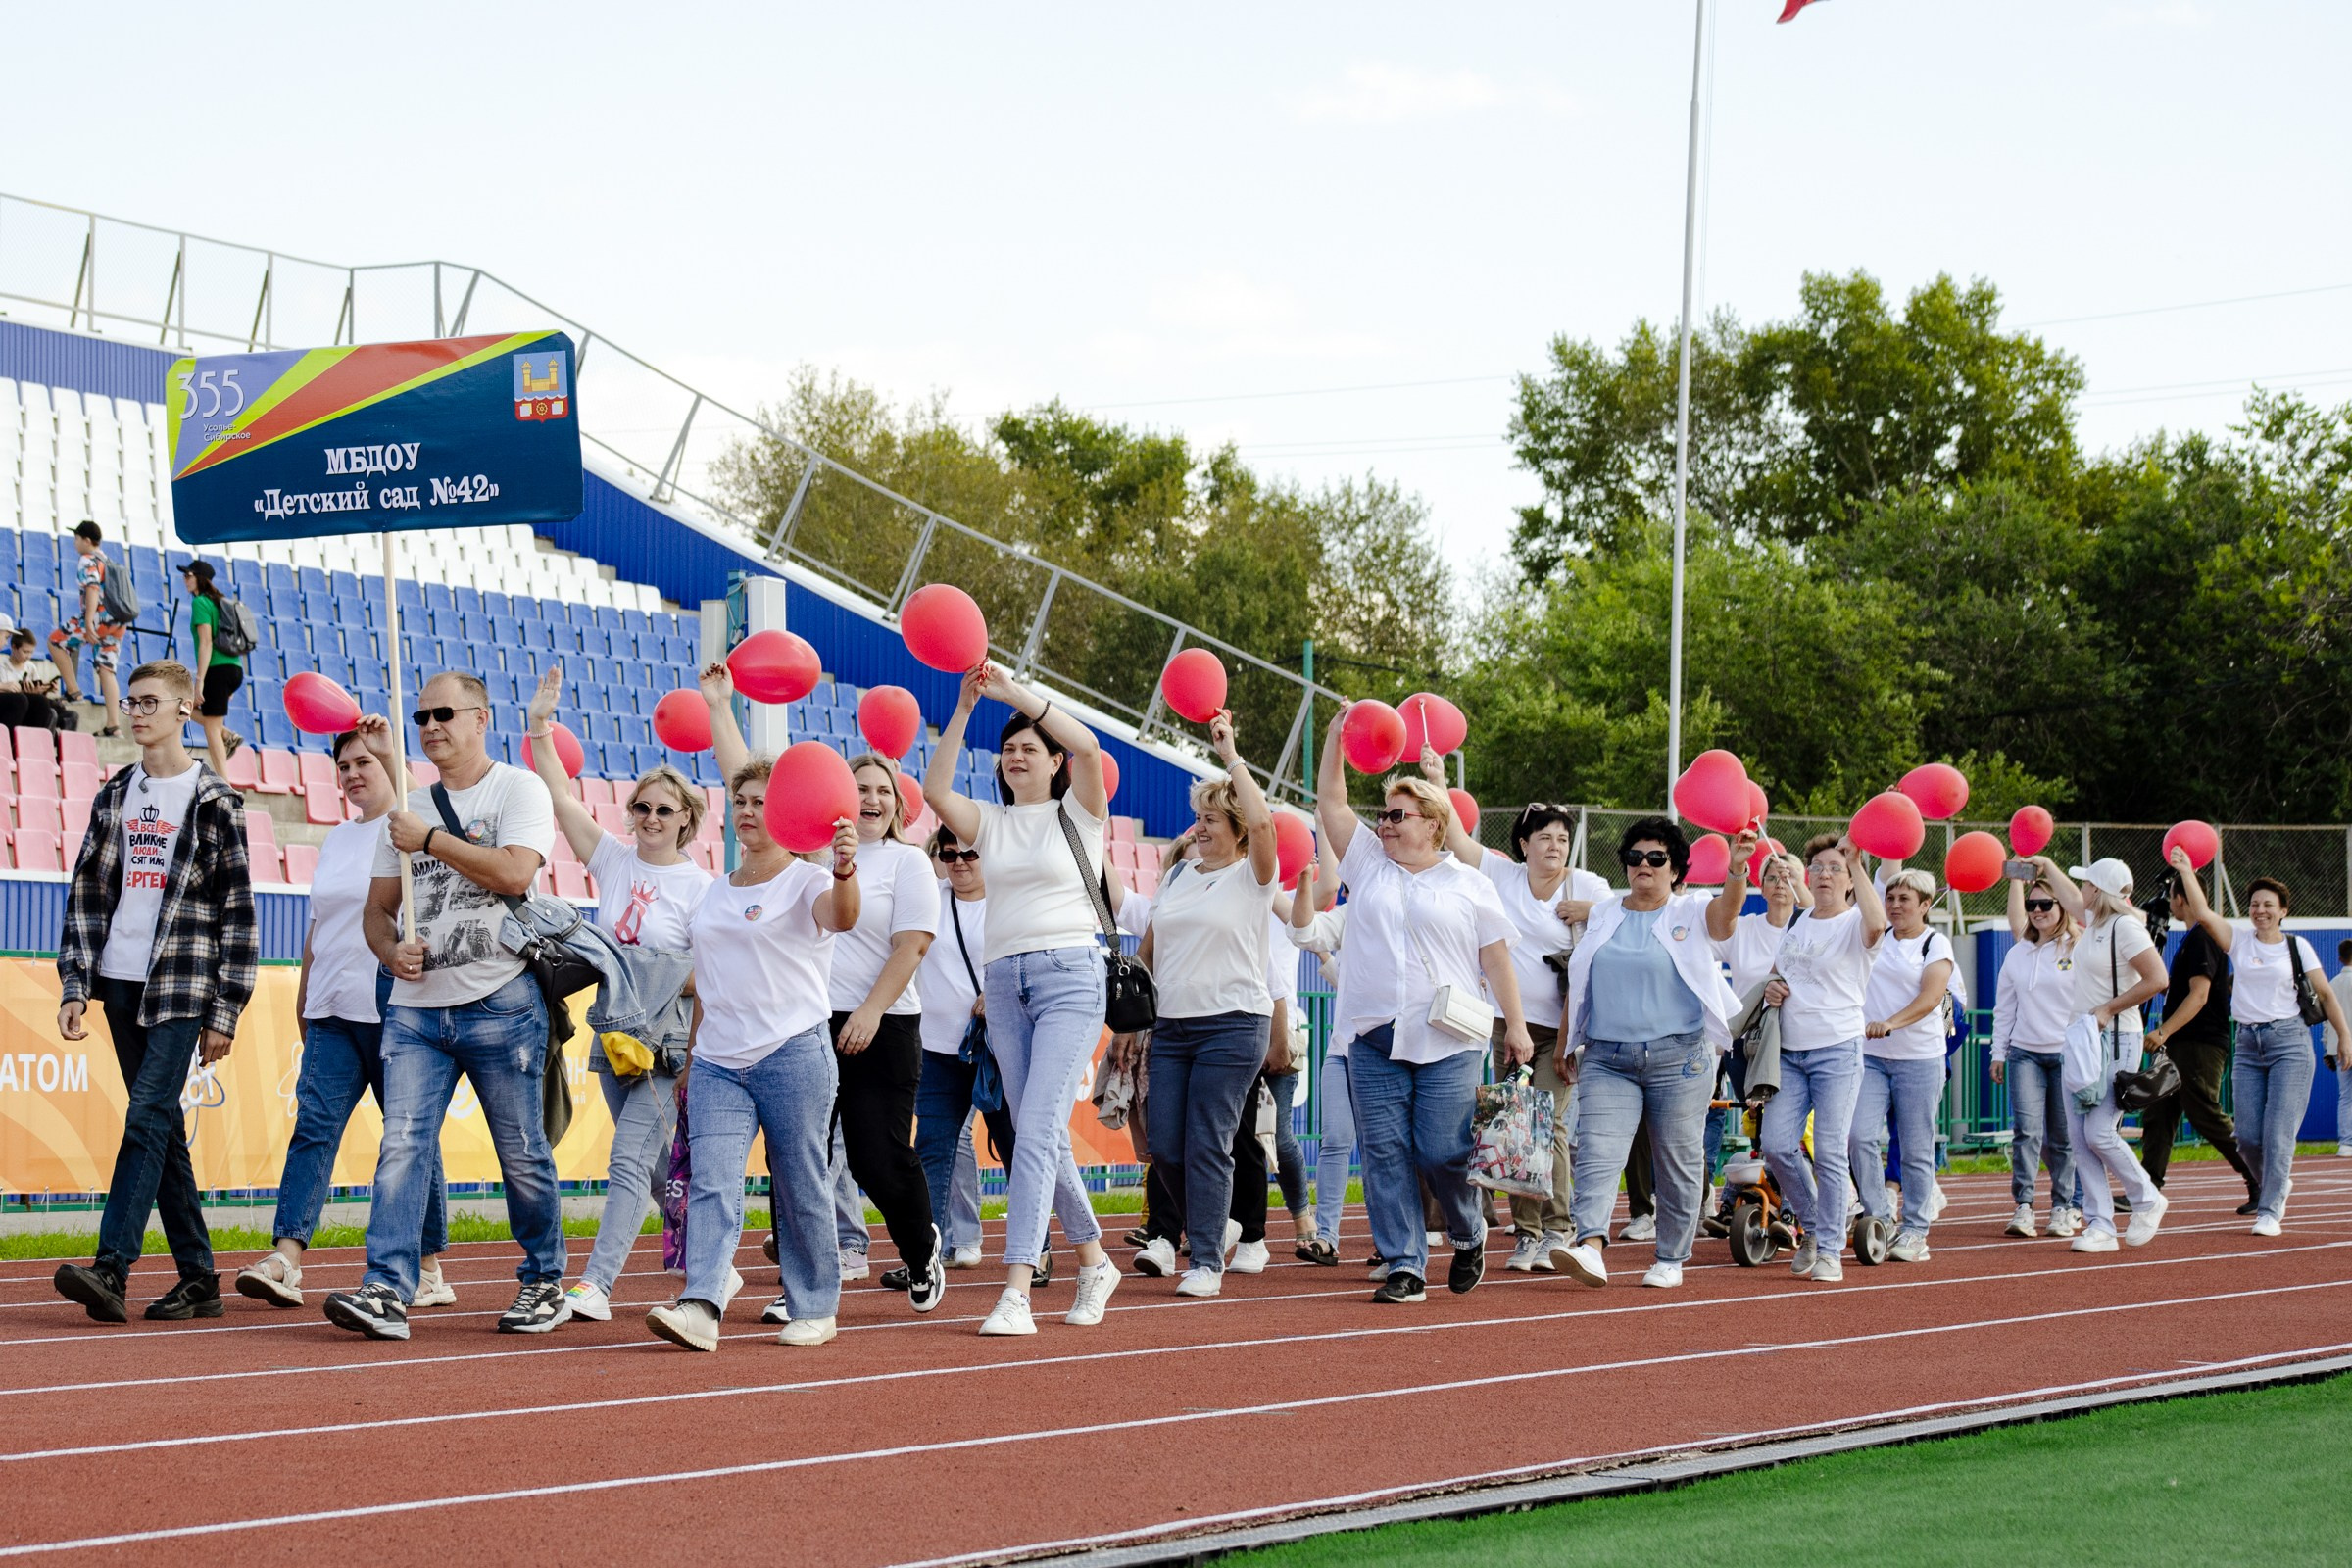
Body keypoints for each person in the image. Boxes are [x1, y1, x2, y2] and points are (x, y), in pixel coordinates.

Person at [323, 674, 565, 1342]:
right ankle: (387, 1287)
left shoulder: (517, 789)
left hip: (502, 1000)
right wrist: (387, 950)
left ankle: (544, 1279)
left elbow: (516, 873)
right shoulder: (408, 806)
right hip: (415, 1010)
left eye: (444, 713)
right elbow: (377, 912)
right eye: (422, 715)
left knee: (520, 1151)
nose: (430, 725)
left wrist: (427, 839)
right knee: (401, 1145)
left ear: (481, 718)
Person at [50, 661, 256, 1322]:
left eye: (149, 702)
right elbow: (86, 894)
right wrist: (76, 983)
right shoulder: (115, 793)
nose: (136, 712)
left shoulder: (215, 801)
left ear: (183, 710)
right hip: (118, 981)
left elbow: (238, 913)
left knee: (144, 1119)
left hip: (183, 986)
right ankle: (199, 1276)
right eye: (130, 702)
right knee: (162, 1129)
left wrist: (226, 1010)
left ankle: (111, 1268)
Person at [923, 663, 1124, 1337]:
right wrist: (964, 708)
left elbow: (1094, 747)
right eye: (1008, 748)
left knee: (1033, 1132)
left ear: (1053, 761)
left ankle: (1017, 1290)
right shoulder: (988, 824)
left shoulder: (1080, 812)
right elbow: (934, 788)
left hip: (1071, 975)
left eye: (1028, 747)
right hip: (1005, 982)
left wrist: (1018, 696)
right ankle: (1095, 1259)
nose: (1014, 755)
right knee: (1041, 1132)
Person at [1311, 708, 1532, 1305]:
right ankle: (1405, 1263)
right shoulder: (1367, 864)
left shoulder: (1469, 883)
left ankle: (1467, 1230)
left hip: (1449, 1039)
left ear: (1434, 824)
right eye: (1382, 815)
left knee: (1442, 1150)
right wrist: (1335, 739)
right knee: (1384, 1153)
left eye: (1396, 816)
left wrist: (1514, 1024)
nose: (1383, 825)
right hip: (1373, 1035)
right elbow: (1331, 803)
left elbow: (1496, 959)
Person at [518, 665, 717, 1323]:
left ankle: (597, 1285)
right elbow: (556, 789)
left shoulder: (700, 889)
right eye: (642, 807)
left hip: (665, 1044)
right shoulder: (610, 857)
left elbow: (709, 975)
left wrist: (648, 978)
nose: (652, 818)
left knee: (629, 1159)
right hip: (612, 1036)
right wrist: (540, 724)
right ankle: (712, 1261)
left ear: (688, 819)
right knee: (660, 1172)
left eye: (665, 810)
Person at [647, 760, 862, 1350]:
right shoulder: (715, 893)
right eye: (741, 800)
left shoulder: (808, 881)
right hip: (718, 1060)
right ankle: (702, 1304)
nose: (748, 811)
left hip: (793, 1052)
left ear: (789, 812)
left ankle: (815, 1306)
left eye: (763, 802)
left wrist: (844, 868)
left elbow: (842, 917)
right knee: (712, 1183)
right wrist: (692, 1059)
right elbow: (707, 985)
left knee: (799, 1183)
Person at [236, 728, 454, 1311]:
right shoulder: (334, 841)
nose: (353, 772)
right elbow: (318, 930)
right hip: (331, 1010)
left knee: (409, 1140)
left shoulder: (410, 831)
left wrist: (389, 748)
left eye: (364, 761)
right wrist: (306, 999)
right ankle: (286, 1259)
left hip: (395, 1010)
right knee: (313, 1131)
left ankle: (428, 1267)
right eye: (344, 765)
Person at [1421, 769, 1608, 1274]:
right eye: (1544, 837)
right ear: (1523, 844)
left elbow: (1629, 912)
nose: (1555, 846)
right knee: (1515, 1126)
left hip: (1565, 1028)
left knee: (1546, 1125)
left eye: (1564, 838)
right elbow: (1458, 840)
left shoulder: (1586, 884)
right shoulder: (1501, 876)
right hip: (1508, 1025)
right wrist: (1436, 780)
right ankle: (1526, 1234)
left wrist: (1589, 909)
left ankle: (1558, 1228)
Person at [1551, 817, 1740, 1291]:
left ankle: (1671, 1256)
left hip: (1679, 1058)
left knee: (1676, 1160)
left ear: (1676, 870)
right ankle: (1591, 1245)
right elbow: (1580, 984)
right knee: (1596, 1152)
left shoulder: (1692, 909)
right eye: (1635, 857)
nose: (1644, 866)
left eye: (1657, 858)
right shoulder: (1603, 915)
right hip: (1607, 1056)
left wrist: (1737, 870)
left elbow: (1725, 918)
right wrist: (1564, 1044)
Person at [1131, 710, 1279, 1297]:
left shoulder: (1253, 876)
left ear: (1237, 828)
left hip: (1234, 1023)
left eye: (1211, 819)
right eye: (1197, 818)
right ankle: (1215, 1221)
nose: (1199, 828)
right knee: (1165, 1143)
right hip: (1172, 1026)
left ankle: (1208, 1262)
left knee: (1208, 1139)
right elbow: (1149, 950)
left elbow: (1268, 825)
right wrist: (1129, 1007)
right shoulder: (1178, 876)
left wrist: (1230, 755)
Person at [820, 750, 946, 1310]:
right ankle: (809, 1276)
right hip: (807, 1024)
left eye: (882, 790)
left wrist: (868, 1012)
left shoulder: (908, 862)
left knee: (876, 1158)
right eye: (859, 788)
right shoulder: (808, 857)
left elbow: (913, 944)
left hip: (884, 1023)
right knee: (797, 1154)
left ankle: (920, 1251)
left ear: (898, 804)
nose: (871, 799)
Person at [2172, 858, 2351, 1237]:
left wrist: (2344, 1037)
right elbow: (2202, 912)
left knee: (2278, 1132)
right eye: (2255, 904)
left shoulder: (2297, 947)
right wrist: (2187, 871)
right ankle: (2277, 1181)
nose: (2260, 910)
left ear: (2283, 911)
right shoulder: (2238, 941)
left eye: (2269, 904)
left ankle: (2269, 1209)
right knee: (2248, 1137)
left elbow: (2326, 995)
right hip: (2249, 1045)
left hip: (2289, 1042)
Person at [1755, 833, 1887, 1284]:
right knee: (1775, 1145)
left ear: (1850, 879)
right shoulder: (1800, 921)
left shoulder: (1856, 922)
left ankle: (1829, 1248)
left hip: (1837, 1050)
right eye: (1819, 868)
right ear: (1806, 875)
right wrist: (1774, 986)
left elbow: (1876, 926)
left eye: (1837, 868)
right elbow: (1784, 973)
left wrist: (1861, 863)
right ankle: (1813, 1226)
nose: (1826, 874)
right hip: (1789, 1054)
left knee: (1831, 1150)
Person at [2026, 855, 2170, 1253]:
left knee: (2099, 1131)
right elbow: (2071, 899)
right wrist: (2046, 865)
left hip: (2116, 1038)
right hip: (2083, 1037)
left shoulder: (2124, 927)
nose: (2082, 890)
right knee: (2078, 1135)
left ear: (2100, 890)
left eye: (2088, 883)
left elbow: (2158, 978)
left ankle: (2147, 1198)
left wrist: (2109, 1008)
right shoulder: (2094, 924)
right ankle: (2101, 1224)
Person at [912, 823, 1018, 1271]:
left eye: (968, 855)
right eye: (948, 853)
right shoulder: (926, 899)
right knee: (932, 1150)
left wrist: (998, 992)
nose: (957, 862)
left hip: (997, 1051)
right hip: (936, 1050)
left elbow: (1033, 964)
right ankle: (926, 1256)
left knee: (1015, 1147)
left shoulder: (1011, 903)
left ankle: (1037, 1249)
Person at [1850, 867, 1956, 1263]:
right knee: (1858, 1136)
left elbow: (1931, 998)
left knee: (1914, 1147)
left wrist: (1891, 1023)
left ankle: (1915, 1229)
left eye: (1904, 900)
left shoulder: (1935, 944)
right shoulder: (1875, 937)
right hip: (1872, 1058)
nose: (1894, 906)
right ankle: (1879, 1215)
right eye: (1890, 898)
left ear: (1925, 905)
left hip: (1919, 1059)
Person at [2138, 868, 2256, 1210]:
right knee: (2159, 1113)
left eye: (2172, 898)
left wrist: (2164, 1031)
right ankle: (2147, 1189)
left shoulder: (2204, 936)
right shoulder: (2193, 937)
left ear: (2180, 898)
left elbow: (2199, 995)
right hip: (2182, 1042)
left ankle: (2260, 1176)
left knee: (2204, 1113)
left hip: (2200, 1043)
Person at [1992, 876, 2084, 1238]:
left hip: (2066, 1054)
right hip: (2025, 1054)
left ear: (2062, 906)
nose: (2038, 912)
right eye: (2032, 905)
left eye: (2046, 904)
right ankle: (2024, 1206)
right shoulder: (2018, 952)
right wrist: (1998, 1053)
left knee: (2062, 1137)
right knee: (2026, 1132)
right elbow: (2005, 1008)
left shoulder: (2077, 947)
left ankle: (2064, 1206)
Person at [1288, 856, 1353, 1267]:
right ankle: (1326, 1234)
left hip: (1396, 1053)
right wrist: (1306, 876)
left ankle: (1399, 1240)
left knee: (1396, 1151)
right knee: (1334, 1140)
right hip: (1343, 1051)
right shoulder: (1348, 918)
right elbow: (1306, 933)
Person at [49, 521, 129, 737]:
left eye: (76, 538)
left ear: (86, 540)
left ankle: (74, 692)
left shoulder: (87, 559)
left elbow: (92, 588)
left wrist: (89, 620)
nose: (75, 543)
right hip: (117, 622)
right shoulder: (108, 560)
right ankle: (114, 725)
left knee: (56, 641)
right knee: (106, 669)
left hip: (97, 618)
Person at [178, 561, 246, 775]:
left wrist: (200, 680)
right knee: (182, 708)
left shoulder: (200, 602)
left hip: (217, 671)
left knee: (211, 727)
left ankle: (225, 783)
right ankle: (228, 736)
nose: (185, 579)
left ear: (200, 578)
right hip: (234, 669)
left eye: (189, 575)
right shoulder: (219, 602)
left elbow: (206, 642)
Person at [0, 627, 66, 731]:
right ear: (13, 647)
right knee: (21, 700)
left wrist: (42, 690)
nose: (28, 656)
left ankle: (34, 741)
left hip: (24, 701)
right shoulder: (2, 665)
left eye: (31, 652)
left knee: (43, 701)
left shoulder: (31, 667)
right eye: (25, 652)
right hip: (13, 702)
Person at [2330, 940, 2352, 1159]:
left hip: (2341, 1048)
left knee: (2346, 1096)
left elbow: (2327, 1019)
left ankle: (2346, 1143)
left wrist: (2328, 1048)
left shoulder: (2333, 983)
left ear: (2340, 958)